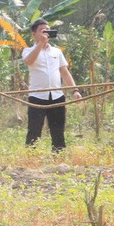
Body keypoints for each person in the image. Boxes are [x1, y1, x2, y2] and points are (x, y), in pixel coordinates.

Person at [22, 19, 82, 151]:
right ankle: (31, 157)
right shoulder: (28, 50)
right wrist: (40, 44)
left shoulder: (56, 52)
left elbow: (64, 73)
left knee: (58, 130)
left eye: (48, 31)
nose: (46, 34)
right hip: (37, 97)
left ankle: (59, 156)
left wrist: (75, 91)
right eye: (43, 31)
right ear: (34, 34)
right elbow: (29, 61)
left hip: (56, 96)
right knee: (34, 130)